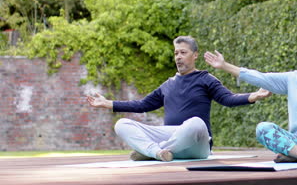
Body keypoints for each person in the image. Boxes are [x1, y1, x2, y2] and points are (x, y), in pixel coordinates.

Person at [87, 36, 271, 161]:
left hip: (197, 143)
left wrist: (253, 96)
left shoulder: (206, 79)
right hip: (170, 138)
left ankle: (150, 151)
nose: (178, 57)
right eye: (176, 53)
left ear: (195, 55)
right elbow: (142, 104)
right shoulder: (167, 85)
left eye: (183, 52)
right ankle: (157, 152)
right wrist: (108, 103)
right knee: (122, 125)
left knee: (196, 123)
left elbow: (228, 99)